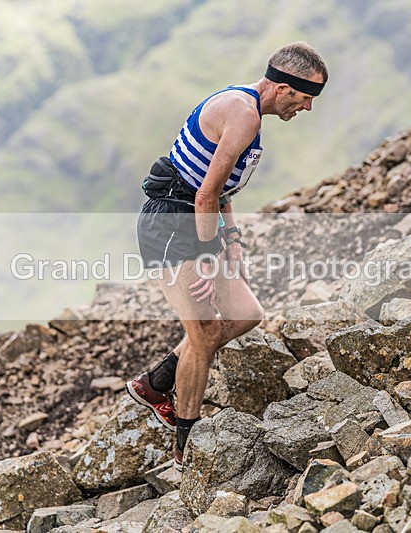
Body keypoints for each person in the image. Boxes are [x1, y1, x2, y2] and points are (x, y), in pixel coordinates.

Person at [126, 42, 328, 469]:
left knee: (245, 314)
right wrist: (205, 258)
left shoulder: (249, 109)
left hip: (198, 223)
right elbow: (205, 195)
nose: (308, 107)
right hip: (171, 223)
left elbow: (220, 188)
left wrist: (231, 238)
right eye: (306, 97)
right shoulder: (244, 114)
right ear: (283, 88)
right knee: (203, 334)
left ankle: (156, 382)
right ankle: (187, 447)